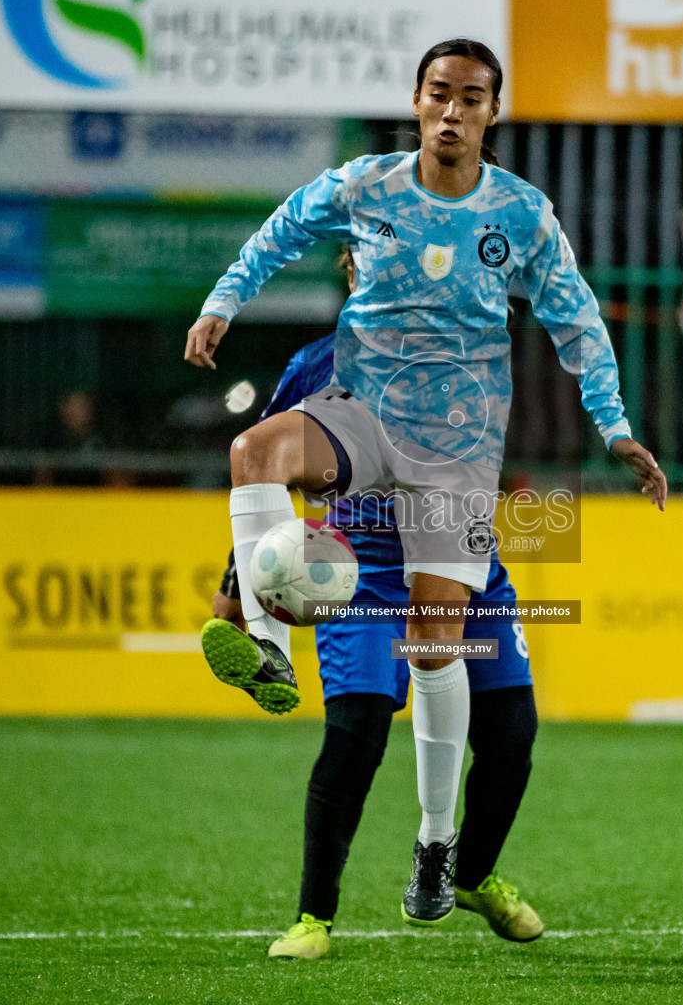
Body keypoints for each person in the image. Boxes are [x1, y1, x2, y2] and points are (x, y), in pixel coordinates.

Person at [186, 36, 666, 932]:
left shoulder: (522, 214)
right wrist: (223, 299)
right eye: (439, 94)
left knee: (439, 646)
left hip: (456, 454)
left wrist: (617, 428)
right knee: (253, 453)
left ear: (493, 113)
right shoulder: (366, 187)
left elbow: (577, 320)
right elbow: (285, 223)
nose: (453, 111)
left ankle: (438, 850)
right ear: (416, 102)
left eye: (471, 98)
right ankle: (265, 645)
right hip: (364, 423)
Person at [212, 319, 543, 960]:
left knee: (512, 737)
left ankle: (469, 875)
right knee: (356, 732)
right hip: (358, 573)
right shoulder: (316, 363)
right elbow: (263, 477)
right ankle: (313, 919)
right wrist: (238, 588)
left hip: (460, 563)